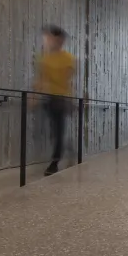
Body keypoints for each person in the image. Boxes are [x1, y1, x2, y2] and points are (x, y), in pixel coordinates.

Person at [34, 25, 76, 176]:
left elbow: (67, 79)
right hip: (49, 98)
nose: (48, 40)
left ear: (60, 40)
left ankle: (54, 162)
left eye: (50, 37)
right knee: (54, 131)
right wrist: (35, 94)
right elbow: (41, 78)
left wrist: (69, 99)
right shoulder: (44, 58)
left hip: (61, 98)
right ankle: (68, 147)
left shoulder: (68, 58)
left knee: (58, 130)